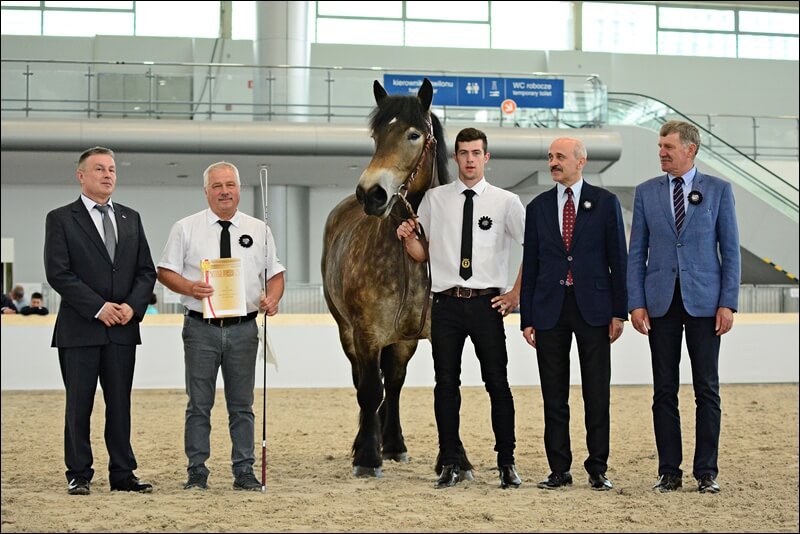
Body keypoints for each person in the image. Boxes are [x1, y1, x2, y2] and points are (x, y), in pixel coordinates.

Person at [396, 127, 525, 490]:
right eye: (463, 153)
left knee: (498, 384)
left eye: (476, 153)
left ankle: (506, 462)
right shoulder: (435, 200)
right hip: (447, 304)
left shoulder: (506, 202)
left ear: (487, 157)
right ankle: (450, 460)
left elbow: (535, 247)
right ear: (455, 158)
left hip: (487, 304)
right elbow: (424, 254)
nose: (469, 159)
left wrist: (516, 293)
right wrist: (409, 240)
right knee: (446, 385)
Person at [157, 161, 286, 492]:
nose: (224, 191)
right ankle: (197, 471)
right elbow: (165, 271)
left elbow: (275, 274)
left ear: (239, 189)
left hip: (245, 328)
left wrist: (272, 298)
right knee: (198, 404)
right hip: (201, 328)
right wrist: (189, 288)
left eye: (230, 184)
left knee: (242, 406)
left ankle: (244, 470)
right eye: (217, 186)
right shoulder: (185, 228)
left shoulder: (260, 229)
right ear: (206, 191)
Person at [628, 120, 740, 494]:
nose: (661, 152)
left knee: (707, 389)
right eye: (660, 146)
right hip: (660, 303)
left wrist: (728, 303)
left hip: (706, 304)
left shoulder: (720, 191)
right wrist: (636, 303)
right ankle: (669, 471)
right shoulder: (646, 193)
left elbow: (731, 251)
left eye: (668, 147)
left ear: (690, 150)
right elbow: (636, 253)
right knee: (664, 389)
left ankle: (706, 471)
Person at [44, 146, 156, 495]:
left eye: (112, 169)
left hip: (123, 329)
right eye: (99, 169)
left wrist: (130, 307)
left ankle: (123, 474)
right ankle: (79, 473)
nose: (108, 175)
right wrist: (98, 307)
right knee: (79, 405)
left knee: (120, 405)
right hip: (80, 329)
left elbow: (145, 271)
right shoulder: (61, 218)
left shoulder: (131, 218)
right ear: (81, 176)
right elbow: (58, 274)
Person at [519, 137, 628, 491]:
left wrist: (618, 312)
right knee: (554, 393)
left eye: (560, 157)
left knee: (597, 392)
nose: (553, 162)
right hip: (549, 309)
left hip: (594, 310)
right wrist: (527, 318)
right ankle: (559, 469)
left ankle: (597, 467)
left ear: (581, 161)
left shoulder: (607, 203)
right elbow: (530, 265)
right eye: (551, 157)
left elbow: (618, 261)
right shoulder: (536, 208)